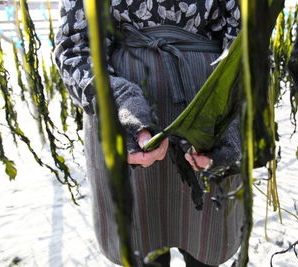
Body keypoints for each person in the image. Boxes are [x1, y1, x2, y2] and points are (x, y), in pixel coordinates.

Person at [55, 0, 242, 266]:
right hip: (121, 113)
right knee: (143, 251)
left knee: (206, 246)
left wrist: (230, 117)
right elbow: (74, 47)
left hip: (211, 112)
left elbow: (247, 41)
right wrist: (118, 101)